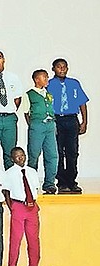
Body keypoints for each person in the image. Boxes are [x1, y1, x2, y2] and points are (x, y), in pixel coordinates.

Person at [2, 147, 44, 266]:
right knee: (15, 240)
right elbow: (6, 192)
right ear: (12, 158)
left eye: (22, 155)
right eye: (17, 156)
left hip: (32, 208)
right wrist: (12, 207)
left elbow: (34, 189)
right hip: (18, 206)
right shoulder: (9, 173)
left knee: (34, 240)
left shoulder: (32, 172)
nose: (20, 158)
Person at [47, 58, 89, 194]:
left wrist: (84, 122)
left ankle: (72, 181)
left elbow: (82, 103)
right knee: (58, 152)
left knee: (72, 152)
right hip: (56, 119)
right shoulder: (48, 84)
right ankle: (61, 182)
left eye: (64, 67)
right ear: (53, 69)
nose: (62, 69)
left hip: (72, 120)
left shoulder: (74, 83)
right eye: (59, 67)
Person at [25, 70, 58, 194]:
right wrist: (34, 125)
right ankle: (31, 183)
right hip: (37, 125)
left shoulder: (48, 94)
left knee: (52, 155)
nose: (47, 79)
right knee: (34, 154)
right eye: (44, 77)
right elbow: (26, 113)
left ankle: (49, 183)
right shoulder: (29, 94)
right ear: (36, 79)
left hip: (50, 125)